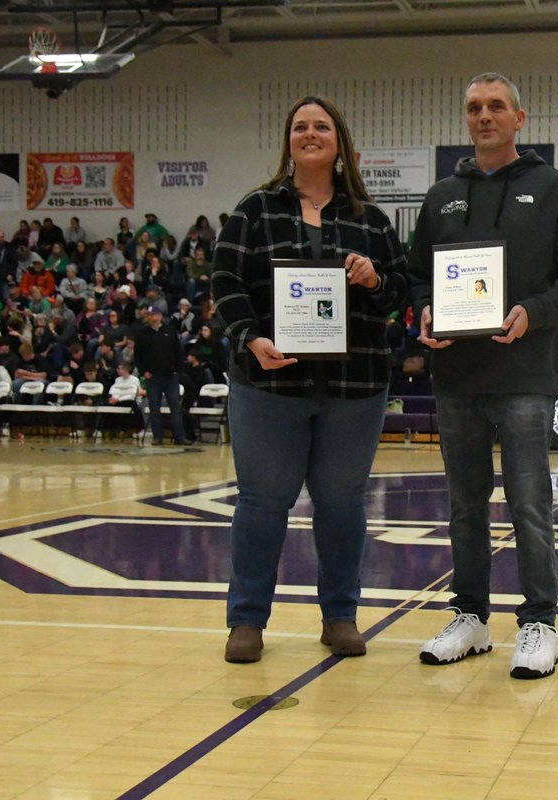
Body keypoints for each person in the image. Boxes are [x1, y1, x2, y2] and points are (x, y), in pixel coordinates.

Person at [407, 72, 558, 680]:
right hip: (457, 375)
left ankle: (539, 621)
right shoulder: (441, 196)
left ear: (520, 117)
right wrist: (426, 309)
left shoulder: (552, 189)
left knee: (529, 504)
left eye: (496, 106)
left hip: (524, 372)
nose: (484, 116)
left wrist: (534, 313)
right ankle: (469, 617)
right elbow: (415, 276)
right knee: (465, 506)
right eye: (473, 108)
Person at [212, 95, 408, 665]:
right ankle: (246, 621)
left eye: (321, 125)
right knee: (262, 502)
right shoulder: (254, 209)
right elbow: (225, 281)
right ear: (288, 141)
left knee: (343, 504)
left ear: (339, 141)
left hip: (356, 385)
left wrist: (375, 280)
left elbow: (401, 292)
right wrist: (251, 336)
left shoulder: (371, 220)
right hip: (268, 383)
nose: (310, 133)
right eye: (300, 126)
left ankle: (340, 617)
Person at [133, 306, 191, 446]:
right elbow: (137, 355)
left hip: (170, 376)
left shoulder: (169, 331)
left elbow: (178, 351)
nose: (153, 317)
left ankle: (179, 436)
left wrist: (177, 369)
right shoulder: (142, 334)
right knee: (154, 407)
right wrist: (143, 372)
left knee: (175, 406)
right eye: (150, 314)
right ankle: (157, 437)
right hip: (153, 377)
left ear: (160, 316)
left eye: (155, 314)